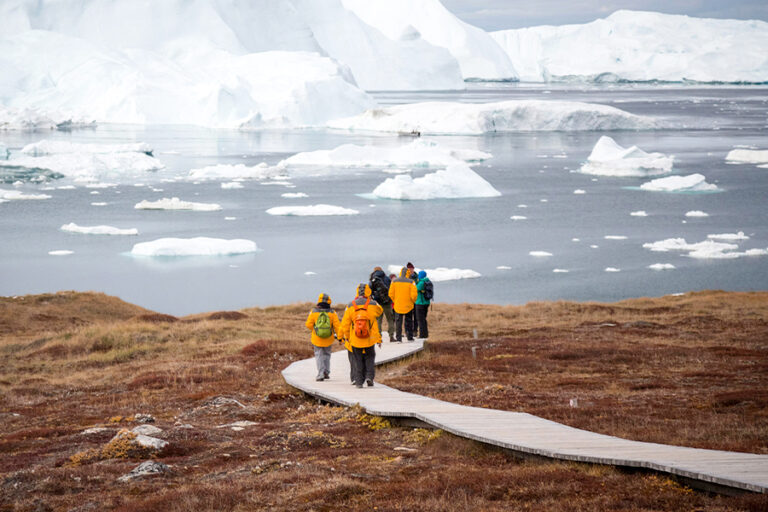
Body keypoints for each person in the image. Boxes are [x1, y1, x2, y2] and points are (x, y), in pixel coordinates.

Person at [340, 283, 383, 388]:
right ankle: (369, 377)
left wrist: (347, 337)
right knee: (370, 358)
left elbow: (345, 325)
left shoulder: (350, 305)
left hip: (355, 339)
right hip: (369, 339)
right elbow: (380, 311)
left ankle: (359, 382)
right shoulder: (373, 304)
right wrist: (371, 299)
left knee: (357, 360)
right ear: (368, 292)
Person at [305, 293, 341, 381]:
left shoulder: (314, 311)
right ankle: (326, 372)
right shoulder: (332, 312)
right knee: (327, 354)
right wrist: (340, 337)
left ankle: (320, 373)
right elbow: (337, 326)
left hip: (317, 338)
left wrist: (316, 329)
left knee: (319, 355)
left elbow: (308, 325)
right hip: (328, 338)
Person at [388, 267, 417, 342]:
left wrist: (395, 300)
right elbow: (414, 295)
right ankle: (410, 337)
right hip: (408, 305)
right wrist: (412, 301)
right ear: (408, 273)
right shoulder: (411, 282)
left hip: (398, 305)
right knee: (409, 321)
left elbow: (390, 294)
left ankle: (398, 339)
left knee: (398, 322)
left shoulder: (394, 281)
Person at [369, 266, 395, 341]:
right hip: (387, 302)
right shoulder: (387, 278)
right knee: (390, 319)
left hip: (377, 302)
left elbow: (369, 291)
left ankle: (379, 336)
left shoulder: (372, 279)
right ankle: (391, 336)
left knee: (378, 320)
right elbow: (391, 289)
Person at [415, 270, 432, 339]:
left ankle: (422, 335)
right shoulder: (428, 281)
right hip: (426, 303)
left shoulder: (421, 283)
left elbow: (415, 289)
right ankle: (425, 334)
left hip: (420, 303)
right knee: (424, 319)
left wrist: (416, 282)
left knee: (420, 319)